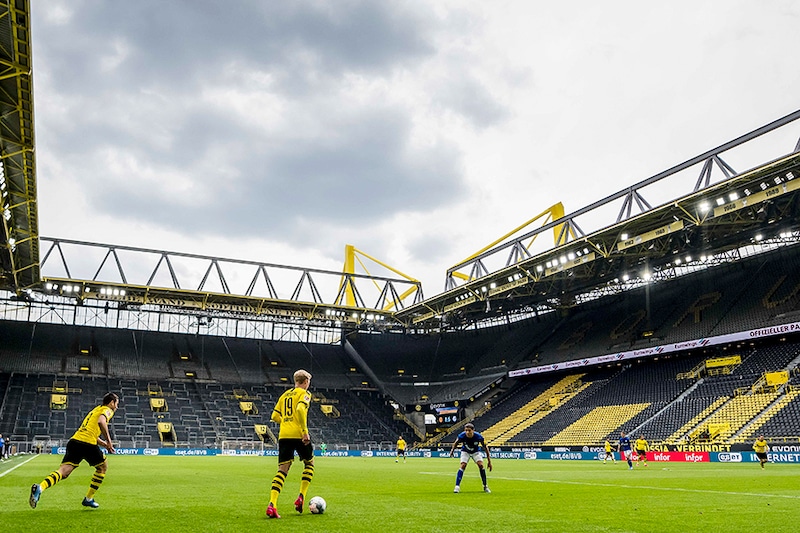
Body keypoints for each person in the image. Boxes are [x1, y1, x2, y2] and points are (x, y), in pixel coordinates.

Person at [29, 392, 119, 509]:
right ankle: (88, 498)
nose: (117, 407)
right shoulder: (108, 410)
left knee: (63, 472)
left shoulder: (95, 410)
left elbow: (90, 432)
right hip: (87, 444)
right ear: (111, 402)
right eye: (116, 404)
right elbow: (101, 422)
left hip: (74, 441)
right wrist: (109, 441)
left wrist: (104, 444)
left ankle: (40, 487)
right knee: (102, 467)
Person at [266, 369, 315, 518]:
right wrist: (304, 431)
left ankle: (272, 504)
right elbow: (300, 409)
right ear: (305, 382)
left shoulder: (284, 395)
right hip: (299, 434)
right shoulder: (305, 394)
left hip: (284, 435)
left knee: (282, 470)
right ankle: (301, 496)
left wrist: (287, 422)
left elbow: (274, 416)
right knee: (309, 464)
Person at [449, 423, 492, 493]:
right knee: (463, 465)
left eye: (469, 430)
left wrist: (489, 461)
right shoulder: (462, 436)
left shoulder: (478, 437)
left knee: (481, 465)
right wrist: (452, 451)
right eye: (466, 430)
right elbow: (456, 443)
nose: (467, 432)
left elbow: (485, 447)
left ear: (473, 430)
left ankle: (485, 486)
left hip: (476, 451)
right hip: (465, 451)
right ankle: (457, 486)